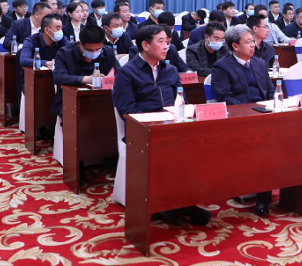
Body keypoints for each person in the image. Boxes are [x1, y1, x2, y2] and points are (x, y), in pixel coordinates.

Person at [112, 25, 211, 226]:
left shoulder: (171, 70)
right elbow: (127, 111)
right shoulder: (127, 72)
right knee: (169, 149)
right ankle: (177, 206)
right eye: (161, 41)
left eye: (167, 41)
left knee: (201, 145)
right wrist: (156, 123)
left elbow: (182, 101)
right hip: (142, 130)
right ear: (145, 45)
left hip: (171, 126)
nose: (167, 46)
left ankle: (180, 202)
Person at [209, 25, 276, 216]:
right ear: (235, 46)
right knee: (264, 145)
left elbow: (270, 92)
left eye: (253, 41)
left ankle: (298, 187)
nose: (253, 45)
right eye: (248, 42)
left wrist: (272, 108)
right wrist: (251, 112)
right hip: (240, 119)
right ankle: (263, 197)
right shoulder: (222, 66)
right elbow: (224, 97)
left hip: (265, 115)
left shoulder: (260, 64)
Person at [52, 25, 119, 119]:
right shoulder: (64, 53)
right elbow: (59, 77)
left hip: (101, 99)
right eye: (89, 50)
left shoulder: (107, 52)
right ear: (79, 44)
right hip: (70, 101)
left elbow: (120, 74)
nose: (94, 53)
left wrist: (108, 79)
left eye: (98, 49)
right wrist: (87, 79)